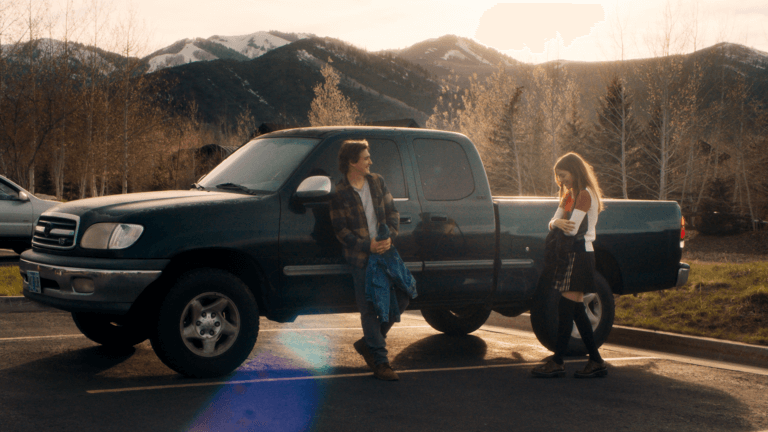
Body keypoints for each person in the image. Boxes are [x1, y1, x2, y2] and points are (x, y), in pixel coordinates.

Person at [329, 139, 409, 381]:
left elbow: (393, 212)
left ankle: (368, 343)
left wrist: (391, 238)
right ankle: (381, 362)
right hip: (361, 258)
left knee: (404, 295)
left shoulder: (377, 182)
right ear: (353, 162)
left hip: (386, 254)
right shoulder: (339, 193)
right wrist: (368, 245)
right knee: (370, 309)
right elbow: (341, 231)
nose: (370, 161)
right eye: (365, 157)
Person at [531, 152, 608, 378]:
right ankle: (595, 361)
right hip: (570, 255)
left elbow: (572, 228)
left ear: (575, 171)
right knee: (574, 310)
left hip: (581, 255)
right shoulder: (569, 195)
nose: (561, 181)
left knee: (567, 309)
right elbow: (553, 222)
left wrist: (559, 222)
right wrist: (556, 222)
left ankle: (559, 361)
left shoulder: (585, 195)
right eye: (558, 177)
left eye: (563, 175)